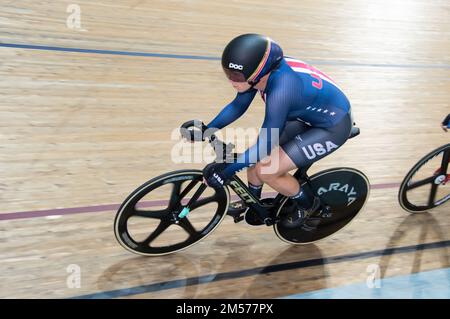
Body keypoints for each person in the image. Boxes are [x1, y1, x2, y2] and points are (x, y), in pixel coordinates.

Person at [201, 34, 354, 226]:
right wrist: (206, 129)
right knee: (254, 155)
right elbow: (238, 106)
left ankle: (310, 206)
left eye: (236, 76)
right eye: (228, 74)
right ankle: (252, 202)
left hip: (332, 127)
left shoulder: (282, 90)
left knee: (267, 169)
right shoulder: (260, 74)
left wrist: (225, 172)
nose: (232, 81)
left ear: (258, 73)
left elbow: (266, 145)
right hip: (305, 115)